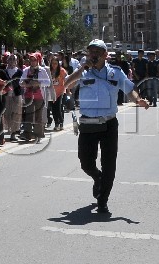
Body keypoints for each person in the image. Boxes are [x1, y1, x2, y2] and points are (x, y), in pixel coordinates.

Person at [62, 39, 149, 216]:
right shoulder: (83, 71)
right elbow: (66, 84)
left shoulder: (115, 73)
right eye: (91, 51)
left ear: (105, 55)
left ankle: (103, 200)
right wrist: (80, 70)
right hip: (88, 123)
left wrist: (137, 100)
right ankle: (97, 177)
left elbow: (129, 89)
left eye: (97, 52)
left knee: (109, 164)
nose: (93, 55)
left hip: (109, 124)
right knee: (85, 162)